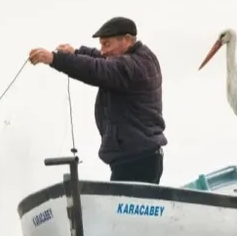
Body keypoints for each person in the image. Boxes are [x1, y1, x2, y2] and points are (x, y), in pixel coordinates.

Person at [28, 16, 168, 185]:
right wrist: (76, 52)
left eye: (106, 44)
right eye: (101, 45)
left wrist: (54, 59)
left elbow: (97, 68)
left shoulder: (133, 66)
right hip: (139, 156)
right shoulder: (139, 57)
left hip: (137, 161)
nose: (102, 50)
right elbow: (102, 59)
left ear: (127, 40)